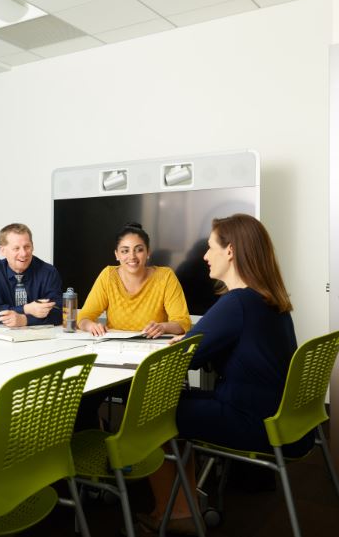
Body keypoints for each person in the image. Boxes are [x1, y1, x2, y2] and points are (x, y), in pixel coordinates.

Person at [139, 214, 314, 535]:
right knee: (180, 401)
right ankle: (186, 498)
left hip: (252, 419)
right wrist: (193, 343)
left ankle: (177, 512)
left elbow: (179, 360)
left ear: (230, 251)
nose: (204, 256)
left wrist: (184, 344)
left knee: (149, 411)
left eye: (209, 247)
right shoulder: (268, 299)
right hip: (286, 420)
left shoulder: (237, 302)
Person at [77, 222, 191, 338]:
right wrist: (91, 326)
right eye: (125, 251)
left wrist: (163, 327)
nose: (132, 256)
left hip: (153, 346)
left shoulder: (165, 276)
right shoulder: (108, 276)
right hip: (115, 347)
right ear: (117, 254)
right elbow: (83, 318)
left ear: (148, 252)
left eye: (139, 250)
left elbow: (183, 323)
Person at [0, 223, 62, 327]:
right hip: (2, 335)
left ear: (33, 246)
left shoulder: (48, 272)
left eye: (27, 246)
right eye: (16, 248)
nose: (23, 253)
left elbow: (59, 313)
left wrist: (24, 320)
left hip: (41, 337)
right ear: (3, 250)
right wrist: (26, 309)